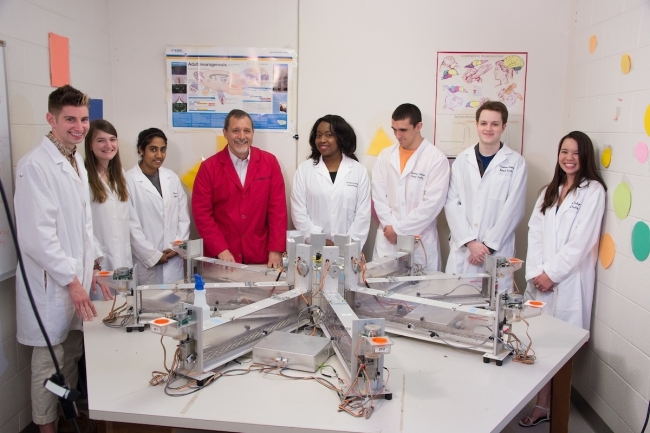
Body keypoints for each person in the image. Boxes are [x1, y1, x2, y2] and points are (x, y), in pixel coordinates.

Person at [14, 85, 103, 433]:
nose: (79, 127)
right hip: (52, 284)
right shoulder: (34, 166)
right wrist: (73, 280)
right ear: (51, 119)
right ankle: (46, 427)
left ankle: (67, 416)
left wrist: (93, 266)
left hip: (75, 279)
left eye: (83, 119)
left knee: (71, 353)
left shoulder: (74, 158)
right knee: (46, 362)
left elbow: (82, 223)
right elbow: (38, 238)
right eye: (70, 119)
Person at [519, 131, 606, 427]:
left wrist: (552, 274)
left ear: (585, 157)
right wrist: (537, 274)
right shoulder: (549, 191)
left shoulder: (593, 191)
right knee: (540, 344)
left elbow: (582, 242)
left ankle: (556, 409)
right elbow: (535, 233)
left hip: (569, 282)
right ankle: (542, 404)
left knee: (562, 348)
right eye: (564, 152)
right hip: (542, 282)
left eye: (575, 153)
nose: (569, 158)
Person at [445, 101, 527, 289]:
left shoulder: (516, 163)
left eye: (495, 124)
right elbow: (451, 204)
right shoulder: (462, 161)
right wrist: (471, 243)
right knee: (458, 304)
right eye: (483, 123)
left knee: (493, 309)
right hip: (465, 250)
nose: (488, 128)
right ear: (476, 125)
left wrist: (488, 246)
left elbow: (514, 209)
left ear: (503, 127)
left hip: (495, 251)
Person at [192, 109, 287, 266]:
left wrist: (276, 250)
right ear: (225, 133)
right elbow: (202, 214)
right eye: (235, 130)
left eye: (246, 131)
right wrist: (220, 249)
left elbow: (278, 210)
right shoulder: (209, 168)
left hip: (260, 254)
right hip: (221, 257)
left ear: (253, 133)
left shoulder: (269, 163)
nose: (242, 136)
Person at [84, 120, 162, 296]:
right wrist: (95, 261)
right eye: (100, 140)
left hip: (123, 261)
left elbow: (130, 219)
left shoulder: (118, 175)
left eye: (112, 139)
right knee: (101, 314)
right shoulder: (83, 178)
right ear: (89, 144)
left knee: (123, 310)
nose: (108, 145)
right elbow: (83, 225)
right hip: (99, 263)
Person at [372, 103, 449, 271]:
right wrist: (390, 227)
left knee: (419, 292)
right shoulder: (385, 156)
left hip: (420, 240)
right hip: (388, 236)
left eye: (403, 130)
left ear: (418, 126)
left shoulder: (435, 159)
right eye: (394, 129)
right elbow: (379, 196)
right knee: (384, 293)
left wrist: (399, 229)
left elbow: (432, 204)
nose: (397, 135)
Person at [291, 115, 371, 248]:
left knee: (346, 268)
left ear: (341, 138)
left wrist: (347, 246)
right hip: (314, 247)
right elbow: (298, 212)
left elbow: (363, 215)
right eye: (318, 135)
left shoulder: (359, 171)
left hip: (348, 249)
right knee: (315, 267)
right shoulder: (304, 170)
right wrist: (320, 240)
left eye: (329, 135)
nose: (322, 140)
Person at [126, 128, 190, 284]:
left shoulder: (171, 178)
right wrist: (152, 255)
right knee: (149, 305)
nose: (159, 155)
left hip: (173, 260)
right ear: (141, 150)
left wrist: (177, 248)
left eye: (163, 150)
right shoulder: (128, 180)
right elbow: (131, 226)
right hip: (146, 263)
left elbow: (184, 218)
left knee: (175, 303)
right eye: (153, 149)